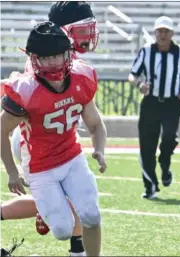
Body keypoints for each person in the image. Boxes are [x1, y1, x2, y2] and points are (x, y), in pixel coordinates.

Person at [0, 2, 99, 256]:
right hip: (34, 138)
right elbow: (29, 97)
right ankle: (75, 246)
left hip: (59, 133)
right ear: (66, 30)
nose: (88, 34)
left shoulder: (60, 53)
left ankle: (77, 248)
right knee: (57, 198)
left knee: (73, 197)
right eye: (81, 28)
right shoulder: (50, 54)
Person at [128, 16, 180, 199]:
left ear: (172, 33)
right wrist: (139, 84)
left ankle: (165, 164)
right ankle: (150, 186)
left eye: (166, 31)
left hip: (172, 103)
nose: (163, 35)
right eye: (160, 31)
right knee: (147, 144)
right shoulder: (146, 52)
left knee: (168, 138)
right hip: (150, 102)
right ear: (155, 33)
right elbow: (132, 74)